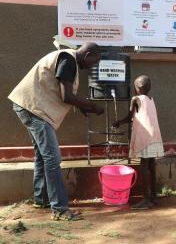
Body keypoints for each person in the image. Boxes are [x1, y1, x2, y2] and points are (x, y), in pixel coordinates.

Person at [8, 42, 104, 221]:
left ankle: (41, 198)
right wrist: (92, 106)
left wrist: (83, 108)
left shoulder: (69, 60)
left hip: (28, 106)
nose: (93, 65)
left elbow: (66, 94)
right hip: (34, 109)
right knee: (52, 158)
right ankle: (60, 209)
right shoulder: (68, 59)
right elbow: (66, 96)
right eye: (94, 61)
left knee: (42, 156)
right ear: (88, 54)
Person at [113, 75, 164, 210]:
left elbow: (130, 116)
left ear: (138, 88)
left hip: (145, 137)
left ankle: (146, 199)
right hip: (154, 136)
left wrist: (119, 122)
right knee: (152, 165)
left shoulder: (136, 99)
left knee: (144, 166)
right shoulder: (151, 99)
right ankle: (153, 196)